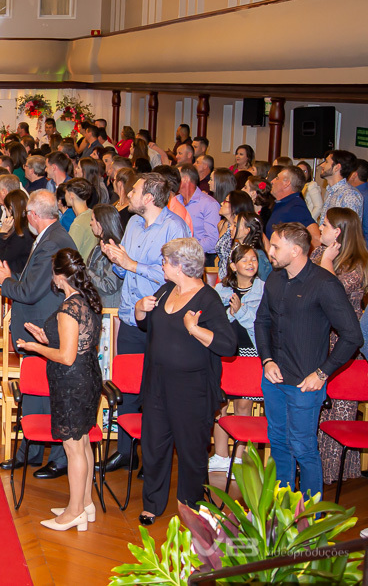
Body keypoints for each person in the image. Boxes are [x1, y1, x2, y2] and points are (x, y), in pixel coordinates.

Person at [255, 223, 362, 500]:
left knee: (303, 448)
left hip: (305, 384)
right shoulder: (276, 279)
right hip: (274, 379)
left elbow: (352, 336)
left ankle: (310, 519)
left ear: (296, 249)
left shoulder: (324, 284)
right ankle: (282, 511)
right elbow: (262, 321)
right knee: (279, 444)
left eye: (276, 246)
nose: (271, 250)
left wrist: (322, 373)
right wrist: (266, 360)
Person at [134, 238, 236, 525]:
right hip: (157, 383)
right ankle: (152, 504)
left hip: (191, 390)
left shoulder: (207, 299)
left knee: (191, 450)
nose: (162, 265)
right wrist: (141, 308)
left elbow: (228, 346)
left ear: (179, 266)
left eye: (165, 261)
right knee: (154, 446)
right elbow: (146, 324)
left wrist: (195, 330)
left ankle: (192, 506)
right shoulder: (167, 290)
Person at [100, 173, 191, 472]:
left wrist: (131, 264)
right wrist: (116, 258)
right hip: (130, 314)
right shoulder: (134, 224)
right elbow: (125, 273)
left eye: (135, 190)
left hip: (160, 318)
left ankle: (154, 454)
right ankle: (126, 452)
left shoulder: (173, 227)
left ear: (149, 198)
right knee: (127, 385)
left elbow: (176, 274)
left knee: (155, 388)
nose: (130, 194)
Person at [0, 190, 76, 478]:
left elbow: (30, 291)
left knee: (51, 391)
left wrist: (3, 279)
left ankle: (59, 458)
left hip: (46, 325)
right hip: (39, 325)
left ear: (34, 215)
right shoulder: (51, 235)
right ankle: (32, 449)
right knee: (35, 389)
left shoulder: (53, 242)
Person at [15, 248, 103, 532]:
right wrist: (46, 336)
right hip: (87, 377)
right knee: (84, 442)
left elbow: (66, 356)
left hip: (71, 382)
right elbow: (78, 343)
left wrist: (35, 346)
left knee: (73, 447)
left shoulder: (68, 308)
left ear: (60, 277)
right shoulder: (85, 300)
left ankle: (75, 511)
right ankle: (85, 502)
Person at [311, 207, 368, 485]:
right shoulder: (316, 254)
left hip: (344, 346)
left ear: (338, 232)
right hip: (318, 339)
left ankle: (334, 471)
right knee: (318, 406)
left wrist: (328, 260)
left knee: (340, 408)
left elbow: (329, 291)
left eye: (324, 224)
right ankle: (311, 468)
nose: (319, 228)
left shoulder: (358, 265)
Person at [210, 245, 266, 473]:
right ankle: (221, 455)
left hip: (250, 352)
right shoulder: (219, 289)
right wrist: (228, 313)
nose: (251, 263)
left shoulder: (264, 290)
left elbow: (262, 324)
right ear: (233, 266)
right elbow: (213, 320)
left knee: (244, 405)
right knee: (220, 405)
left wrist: (240, 311)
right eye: (245, 260)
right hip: (225, 354)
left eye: (254, 259)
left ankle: (239, 457)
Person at [265, 165, 320, 247]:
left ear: (286, 183)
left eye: (277, 178)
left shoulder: (296, 207)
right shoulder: (283, 203)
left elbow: (316, 239)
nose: (272, 181)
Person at [177, 163, 220, 262]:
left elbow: (212, 240)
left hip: (201, 257)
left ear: (186, 179)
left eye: (177, 177)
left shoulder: (209, 204)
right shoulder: (175, 201)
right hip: (177, 255)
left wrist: (186, 249)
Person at [87, 204, 125, 309]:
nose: (90, 223)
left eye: (92, 219)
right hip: (99, 306)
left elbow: (109, 286)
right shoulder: (99, 247)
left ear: (101, 224)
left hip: (110, 310)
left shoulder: (115, 250)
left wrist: (86, 272)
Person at [318, 150, 364, 225]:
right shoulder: (330, 191)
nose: (321, 165)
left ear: (337, 167)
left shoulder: (349, 195)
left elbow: (349, 230)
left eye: (326, 162)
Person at [63, 178, 96, 261]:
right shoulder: (93, 214)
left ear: (71, 195)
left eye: (65, 192)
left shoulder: (78, 224)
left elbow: (69, 254)